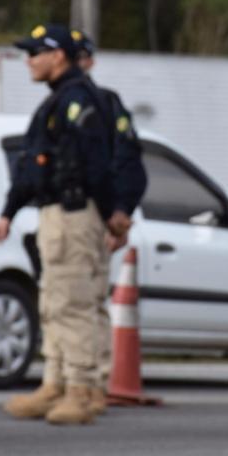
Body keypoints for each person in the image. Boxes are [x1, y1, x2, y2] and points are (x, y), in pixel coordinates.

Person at [0, 24, 116, 425]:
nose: (29, 60)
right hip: (57, 213)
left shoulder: (79, 101)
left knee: (74, 303)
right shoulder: (60, 100)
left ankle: (80, 390)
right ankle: (57, 382)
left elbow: (97, 164)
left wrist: (111, 212)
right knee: (55, 302)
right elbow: (33, 165)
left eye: (36, 53)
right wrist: (10, 210)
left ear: (58, 56)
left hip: (73, 214)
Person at [73, 33, 147, 415]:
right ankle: (84, 381)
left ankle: (93, 382)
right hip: (77, 210)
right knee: (80, 302)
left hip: (96, 214)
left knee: (86, 302)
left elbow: (126, 161)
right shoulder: (70, 101)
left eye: (82, 57)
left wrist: (119, 211)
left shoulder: (104, 105)